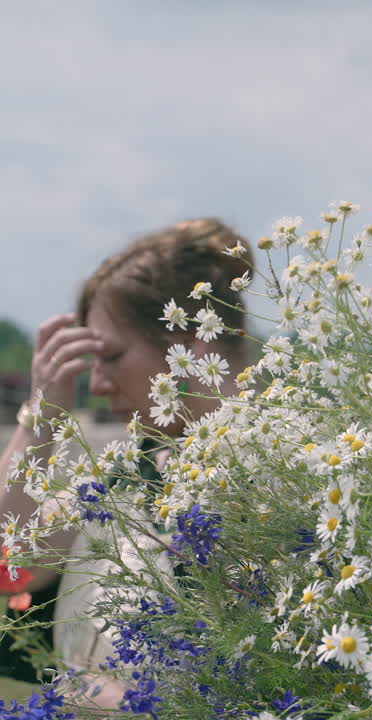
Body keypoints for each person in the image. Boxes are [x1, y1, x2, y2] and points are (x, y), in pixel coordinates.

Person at [0, 218, 253, 707]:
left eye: (110, 357)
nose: (94, 385)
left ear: (189, 347)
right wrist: (40, 418)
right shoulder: (128, 476)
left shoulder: (277, 476)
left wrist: (92, 694)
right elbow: (11, 566)